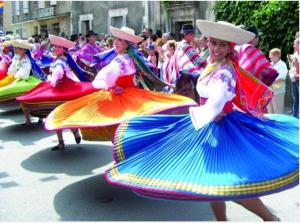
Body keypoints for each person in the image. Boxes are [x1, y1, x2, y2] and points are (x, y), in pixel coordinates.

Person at [105, 20, 298, 221]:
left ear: (230, 48)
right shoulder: (214, 64)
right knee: (212, 184)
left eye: (222, 45)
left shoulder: (225, 71)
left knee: (232, 186)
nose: (216, 48)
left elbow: (216, 101)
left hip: (222, 129)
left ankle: (270, 219)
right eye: (214, 43)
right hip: (210, 125)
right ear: (207, 42)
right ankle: (223, 221)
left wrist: (201, 114)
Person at [44, 26, 197, 142]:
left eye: (120, 41)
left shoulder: (120, 60)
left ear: (127, 45)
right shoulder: (131, 57)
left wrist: (107, 86)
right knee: (126, 127)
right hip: (132, 93)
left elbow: (104, 79)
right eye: (116, 39)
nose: (116, 43)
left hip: (123, 95)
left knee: (117, 127)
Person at [17, 35, 97, 150]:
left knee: (64, 114)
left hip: (64, 89)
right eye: (54, 46)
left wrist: (53, 79)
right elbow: (75, 68)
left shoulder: (61, 61)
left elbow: (59, 73)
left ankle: (74, 131)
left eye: (58, 47)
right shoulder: (59, 59)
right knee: (55, 115)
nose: (55, 48)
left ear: (63, 50)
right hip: (57, 89)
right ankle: (62, 141)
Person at [171, 24, 206, 100]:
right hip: (186, 78)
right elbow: (198, 61)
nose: (194, 36)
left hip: (180, 77)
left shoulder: (180, 45)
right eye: (193, 34)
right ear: (187, 35)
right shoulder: (186, 46)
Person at [267, 48, 288, 114]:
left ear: (276, 55)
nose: (269, 57)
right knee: (270, 113)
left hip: (278, 92)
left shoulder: (282, 65)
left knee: (278, 113)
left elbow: (281, 77)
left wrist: (269, 82)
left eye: (271, 55)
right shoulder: (270, 64)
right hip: (269, 91)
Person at [288, 36, 299, 118]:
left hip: (298, 79)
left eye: (295, 44)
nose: (293, 46)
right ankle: (294, 118)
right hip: (294, 80)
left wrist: (297, 75)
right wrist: (291, 73)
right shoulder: (294, 55)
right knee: (296, 100)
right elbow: (292, 67)